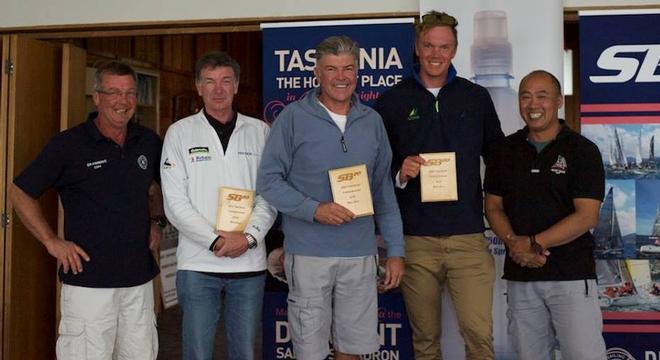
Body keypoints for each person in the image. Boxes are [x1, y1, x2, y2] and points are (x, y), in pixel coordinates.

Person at [257, 35, 405, 360]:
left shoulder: (372, 122)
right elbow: (268, 181)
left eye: (348, 68)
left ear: (358, 73)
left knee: (352, 348)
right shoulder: (293, 118)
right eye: (331, 69)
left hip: (360, 255)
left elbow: (383, 192)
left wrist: (395, 251)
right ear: (317, 74)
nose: (341, 77)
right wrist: (314, 210)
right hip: (309, 254)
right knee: (309, 350)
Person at [9, 60, 162, 359]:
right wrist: (52, 242)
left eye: (130, 93)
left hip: (139, 281)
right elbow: (20, 192)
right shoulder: (69, 145)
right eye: (114, 92)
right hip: (89, 283)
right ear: (97, 97)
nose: (123, 101)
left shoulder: (148, 141)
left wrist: (155, 219)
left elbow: (156, 186)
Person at [373, 10, 503, 360]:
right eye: (428, 45)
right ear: (417, 47)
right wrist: (401, 172)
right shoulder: (391, 101)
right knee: (425, 341)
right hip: (415, 241)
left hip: (468, 238)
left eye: (444, 46)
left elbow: (499, 161)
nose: (435, 54)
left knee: (479, 337)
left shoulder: (476, 98)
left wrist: (506, 216)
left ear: (455, 50)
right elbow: (376, 172)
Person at [160, 51, 276, 360]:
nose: (218, 89)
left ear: (237, 86)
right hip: (198, 264)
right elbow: (174, 202)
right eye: (210, 82)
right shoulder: (180, 133)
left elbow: (269, 194)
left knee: (245, 353)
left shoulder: (260, 132)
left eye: (226, 81)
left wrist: (248, 238)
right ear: (198, 87)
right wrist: (215, 240)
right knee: (197, 352)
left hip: (248, 264)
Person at [484, 70, 607, 360]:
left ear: (558, 101)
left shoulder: (583, 151)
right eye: (525, 97)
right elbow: (493, 207)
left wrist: (534, 243)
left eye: (542, 96)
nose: (533, 104)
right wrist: (515, 242)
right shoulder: (504, 151)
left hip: (572, 278)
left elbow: (587, 216)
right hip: (521, 278)